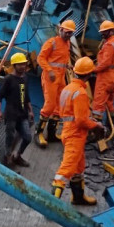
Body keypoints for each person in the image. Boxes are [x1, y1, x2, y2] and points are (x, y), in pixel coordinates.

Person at [51, 57, 105, 205]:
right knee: (66, 170)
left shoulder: (67, 89)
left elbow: (69, 115)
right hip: (75, 135)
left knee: (78, 167)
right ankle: (51, 204)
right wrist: (96, 125)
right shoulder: (80, 93)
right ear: (89, 74)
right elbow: (81, 120)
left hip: (68, 132)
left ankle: (78, 197)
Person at [35, 19, 76, 148]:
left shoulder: (67, 44)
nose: (68, 35)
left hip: (61, 77)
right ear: (61, 30)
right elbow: (40, 58)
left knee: (59, 105)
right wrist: (49, 70)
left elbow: (61, 59)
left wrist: (68, 66)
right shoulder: (52, 42)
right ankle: (38, 133)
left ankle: (51, 134)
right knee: (50, 105)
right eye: (66, 32)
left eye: (70, 33)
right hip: (50, 77)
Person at [0, 52, 34, 167]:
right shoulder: (8, 79)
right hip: (11, 115)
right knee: (10, 137)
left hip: (23, 115)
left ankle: (18, 156)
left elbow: (26, 96)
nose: (22, 66)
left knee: (27, 137)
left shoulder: (25, 78)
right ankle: (7, 157)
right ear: (14, 65)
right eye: (20, 64)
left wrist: (30, 110)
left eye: (24, 64)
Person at [92, 20, 114, 128]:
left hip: (105, 77)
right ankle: (111, 126)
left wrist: (93, 69)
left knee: (98, 105)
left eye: (104, 32)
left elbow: (105, 63)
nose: (102, 34)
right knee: (109, 103)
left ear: (111, 31)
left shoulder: (109, 44)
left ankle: (97, 130)